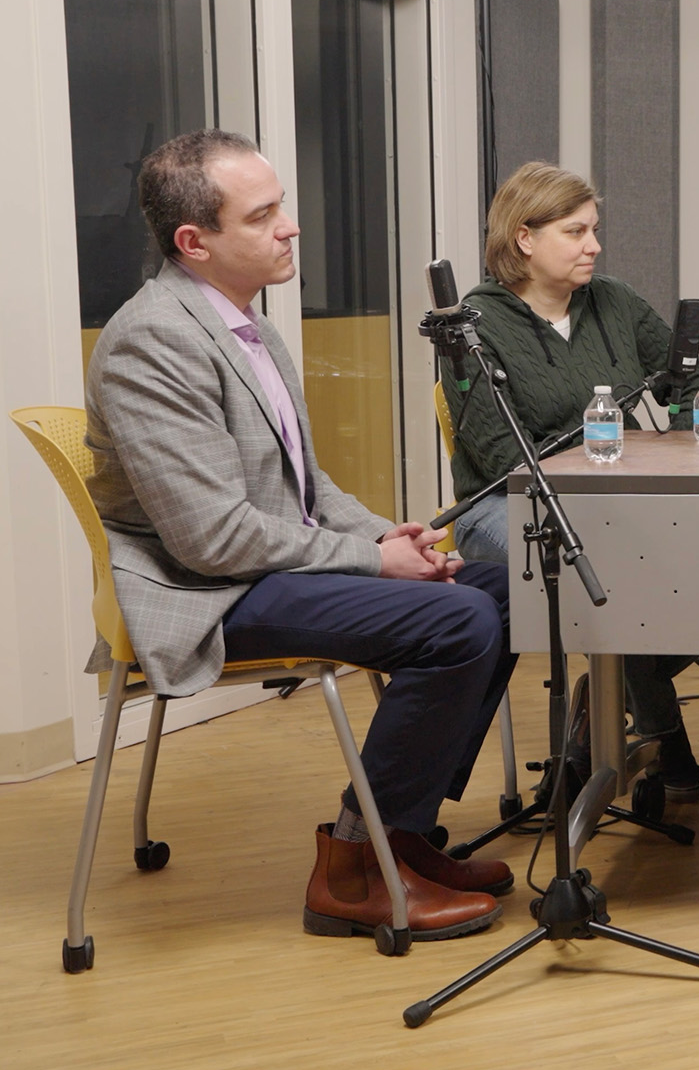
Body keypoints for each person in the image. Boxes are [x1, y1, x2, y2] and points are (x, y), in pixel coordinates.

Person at [85, 129, 517, 943]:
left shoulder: (247, 326)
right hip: (207, 591)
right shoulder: (153, 340)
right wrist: (372, 561)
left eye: (280, 206)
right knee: (458, 621)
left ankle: (402, 837)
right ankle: (352, 868)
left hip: (259, 567)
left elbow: (307, 488)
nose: (290, 226)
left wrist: (391, 537)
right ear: (195, 242)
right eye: (263, 215)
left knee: (495, 589)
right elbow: (212, 540)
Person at [447, 162, 699, 803]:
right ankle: (660, 737)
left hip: (622, 504)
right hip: (508, 509)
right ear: (524, 238)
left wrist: (685, 445)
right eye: (575, 232)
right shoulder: (473, 325)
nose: (593, 245)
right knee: (612, 574)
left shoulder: (614, 301)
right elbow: (500, 455)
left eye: (594, 229)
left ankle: (603, 713)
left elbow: (687, 378)